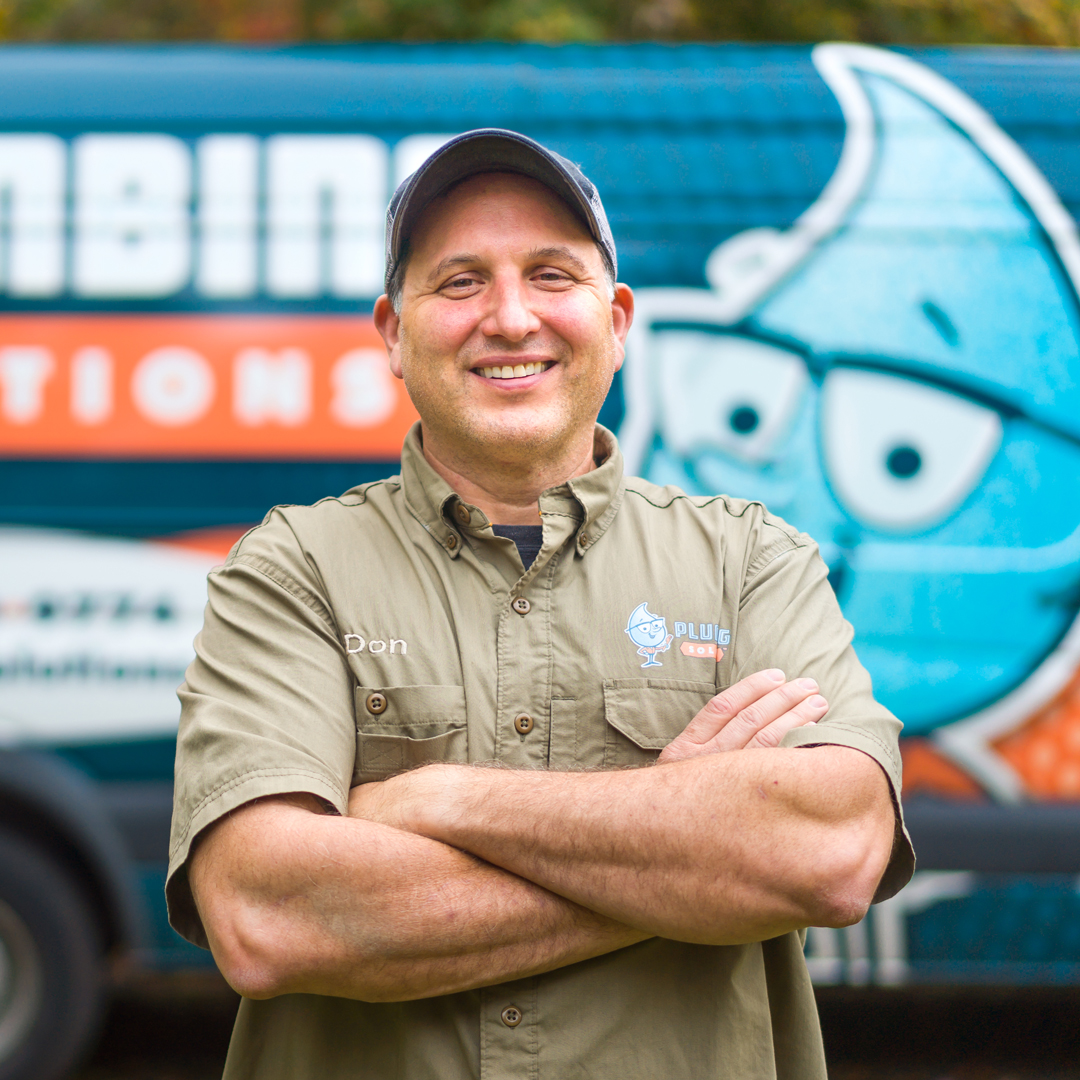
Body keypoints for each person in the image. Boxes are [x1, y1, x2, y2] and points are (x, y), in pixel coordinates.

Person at [167, 128, 914, 1080]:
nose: (511, 317)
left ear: (618, 320)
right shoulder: (291, 571)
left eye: (553, 275)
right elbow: (269, 916)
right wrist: (688, 848)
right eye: (461, 280)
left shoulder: (751, 560)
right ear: (394, 332)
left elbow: (832, 849)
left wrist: (439, 798)